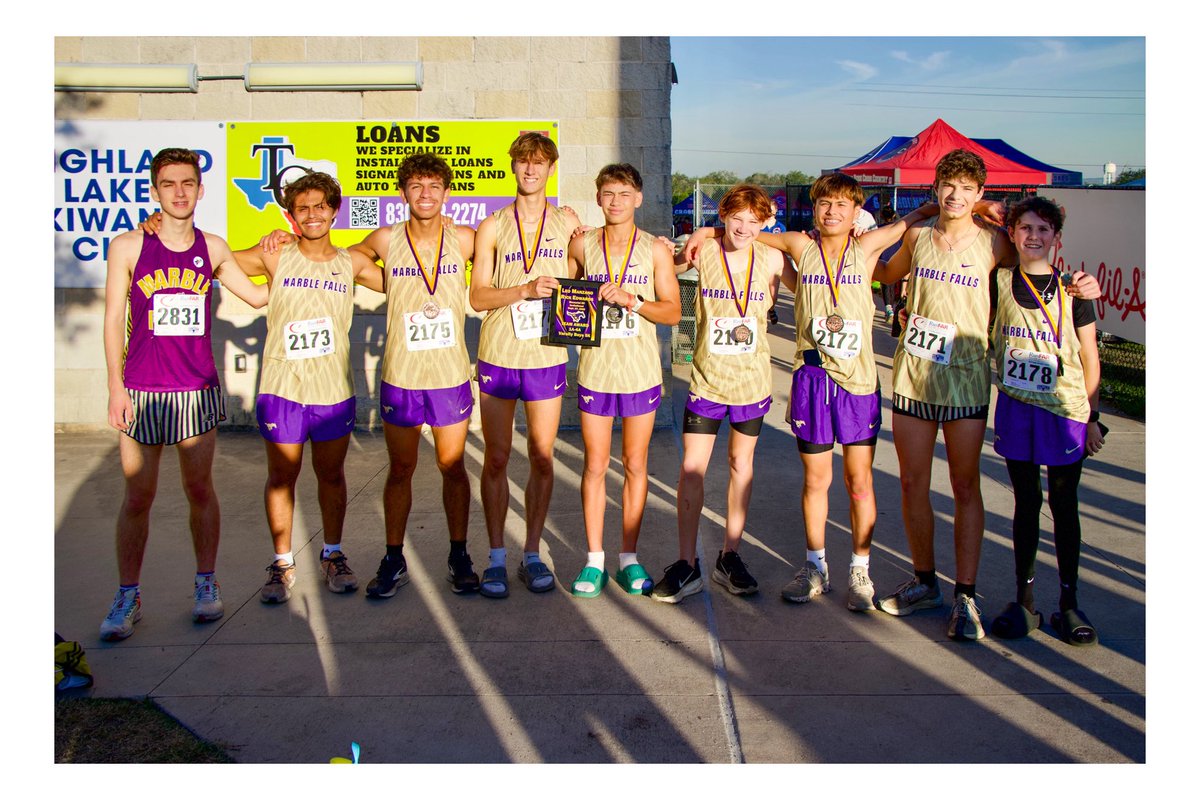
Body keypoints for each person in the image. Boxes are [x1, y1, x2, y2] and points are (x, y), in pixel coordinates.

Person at [684, 175, 940, 611]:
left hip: (857, 384)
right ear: (815, 207)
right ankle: (815, 567)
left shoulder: (868, 246)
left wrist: (974, 211)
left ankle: (860, 571)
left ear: (856, 210)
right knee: (816, 480)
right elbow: (748, 230)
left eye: (842, 205)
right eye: (824, 203)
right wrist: (705, 229)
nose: (832, 212)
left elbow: (917, 216)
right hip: (812, 378)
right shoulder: (801, 247)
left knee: (859, 482)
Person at [875, 149, 1099, 641]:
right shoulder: (918, 237)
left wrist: (1080, 284)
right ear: (936, 189)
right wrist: (909, 222)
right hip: (915, 376)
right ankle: (926, 581)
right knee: (912, 482)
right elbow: (879, 272)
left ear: (980, 194)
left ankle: (966, 596)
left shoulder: (996, 243)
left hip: (968, 381)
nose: (955, 196)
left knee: (964, 486)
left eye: (966, 189)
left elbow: (1037, 267)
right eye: (947, 187)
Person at [100, 148, 268, 641]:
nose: (179, 192)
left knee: (200, 491)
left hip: (196, 391)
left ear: (200, 189)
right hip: (141, 391)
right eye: (169, 183)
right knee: (138, 496)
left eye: (188, 183)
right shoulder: (128, 246)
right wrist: (114, 386)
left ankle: (205, 582)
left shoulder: (213, 247)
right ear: (155, 189)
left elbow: (257, 294)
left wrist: (288, 252)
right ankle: (128, 594)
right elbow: (113, 319)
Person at [227, 171, 384, 604]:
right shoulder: (275, 255)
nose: (312, 215)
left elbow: (407, 279)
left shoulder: (350, 262)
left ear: (334, 210)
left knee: (331, 475)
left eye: (320, 206)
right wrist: (160, 226)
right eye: (303, 208)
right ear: (291, 215)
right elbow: (214, 258)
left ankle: (332, 554)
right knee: (282, 477)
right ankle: (281, 563)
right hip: (282, 388)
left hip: (332, 390)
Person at [348, 153, 480, 597]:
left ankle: (459, 554)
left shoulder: (464, 238)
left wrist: (575, 229)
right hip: (401, 376)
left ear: (447, 192)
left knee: (452, 466)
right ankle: (393, 558)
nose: (426, 194)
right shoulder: (386, 238)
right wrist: (281, 241)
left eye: (434, 186)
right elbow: (336, 258)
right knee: (401, 467)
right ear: (403, 193)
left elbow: (514, 257)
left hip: (449, 374)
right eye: (416, 186)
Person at [651, 184, 786, 603]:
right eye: (736, 218)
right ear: (723, 217)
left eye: (753, 220)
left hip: (751, 381)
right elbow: (661, 267)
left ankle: (730, 556)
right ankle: (687, 563)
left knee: (740, 465)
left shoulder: (772, 258)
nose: (744, 227)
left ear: (766, 222)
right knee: (692, 469)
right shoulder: (703, 251)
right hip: (707, 380)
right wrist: (696, 236)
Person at [987, 196, 1105, 645]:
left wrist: (1093, 417)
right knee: (1025, 502)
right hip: (1018, 407)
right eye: (1025, 228)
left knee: (1064, 503)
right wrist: (995, 212)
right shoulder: (999, 282)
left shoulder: (1074, 291)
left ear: (1057, 238)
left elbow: (1091, 358)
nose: (1033, 237)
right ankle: (1025, 601)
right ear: (1012, 234)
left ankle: (1069, 603)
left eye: (1043, 230)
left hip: (1066, 410)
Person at [468, 132, 582, 598]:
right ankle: (496, 555)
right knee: (496, 456)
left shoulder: (568, 224)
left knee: (540, 455)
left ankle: (531, 553)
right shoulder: (492, 226)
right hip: (499, 352)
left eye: (539, 163)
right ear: (512, 167)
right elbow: (477, 297)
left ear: (551, 168)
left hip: (546, 355)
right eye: (523, 163)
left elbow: (587, 280)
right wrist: (523, 290)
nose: (531, 170)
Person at [566, 164, 681, 597]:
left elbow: (671, 311)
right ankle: (594, 560)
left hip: (639, 373)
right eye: (608, 193)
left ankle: (628, 558)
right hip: (596, 371)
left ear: (638, 198)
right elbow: (568, 294)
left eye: (624, 193)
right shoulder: (584, 244)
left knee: (635, 466)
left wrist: (633, 301)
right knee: (595, 466)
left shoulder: (654, 249)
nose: (615, 201)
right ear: (598, 198)